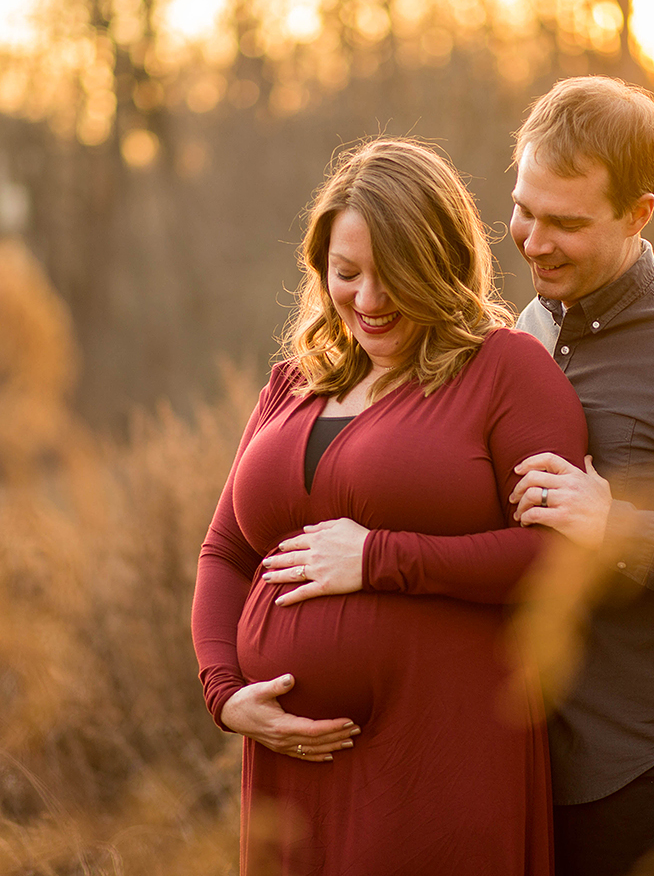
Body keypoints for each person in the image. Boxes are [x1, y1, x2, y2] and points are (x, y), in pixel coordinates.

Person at [261, 77, 654, 876]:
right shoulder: (518, 337)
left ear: (639, 214)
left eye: (566, 223)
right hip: (517, 766)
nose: (532, 241)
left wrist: (620, 526)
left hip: (649, 768)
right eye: (525, 210)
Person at [190, 137, 589, 875]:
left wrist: (381, 558)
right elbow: (226, 552)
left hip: (438, 762)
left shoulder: (504, 371)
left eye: (393, 276)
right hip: (291, 773)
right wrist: (226, 693)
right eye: (347, 274)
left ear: (440, 267)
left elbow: (558, 559)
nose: (368, 301)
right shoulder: (291, 384)